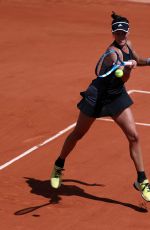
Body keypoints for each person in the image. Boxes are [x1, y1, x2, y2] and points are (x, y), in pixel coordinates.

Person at [50, 12, 150, 201]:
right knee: (78, 134)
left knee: (134, 136)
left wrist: (147, 61)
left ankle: (141, 180)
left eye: (123, 33)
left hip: (116, 96)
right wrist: (127, 69)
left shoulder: (128, 45)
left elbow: (138, 59)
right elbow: (124, 76)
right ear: (113, 34)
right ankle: (59, 164)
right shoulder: (112, 54)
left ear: (128, 32)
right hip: (97, 97)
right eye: (117, 34)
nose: (120, 36)